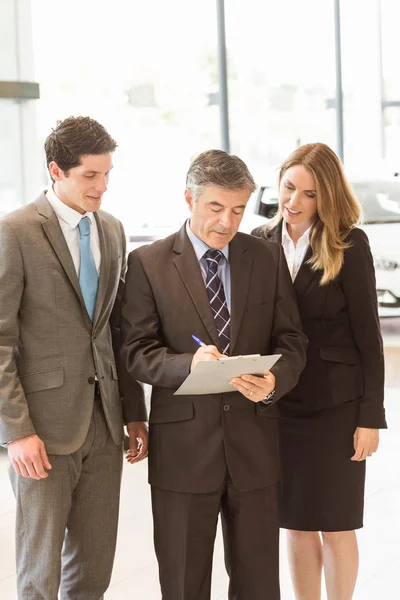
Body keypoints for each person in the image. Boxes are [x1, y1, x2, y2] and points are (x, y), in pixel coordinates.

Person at [120, 149, 308, 600]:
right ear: (189, 198)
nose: (228, 222)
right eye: (216, 208)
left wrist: (275, 382)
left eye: (239, 209)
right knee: (184, 584)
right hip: (184, 453)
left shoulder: (265, 258)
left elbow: (293, 341)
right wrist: (188, 365)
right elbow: (135, 351)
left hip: (255, 448)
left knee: (260, 585)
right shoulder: (148, 262)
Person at [0, 116, 148, 600]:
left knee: (93, 573)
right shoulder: (16, 231)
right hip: (42, 431)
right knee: (40, 574)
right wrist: (17, 432)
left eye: (107, 175)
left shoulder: (113, 231)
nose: (102, 187)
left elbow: (115, 330)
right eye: (90, 175)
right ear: (55, 170)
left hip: (105, 428)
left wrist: (133, 413)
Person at [252, 142, 387, 600]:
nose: (294, 202)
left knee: (335, 522)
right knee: (295, 522)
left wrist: (370, 417)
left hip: (336, 407)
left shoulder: (350, 244)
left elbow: (369, 337)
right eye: (289, 187)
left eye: (308, 194)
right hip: (278, 403)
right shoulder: (258, 241)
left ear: (326, 197)